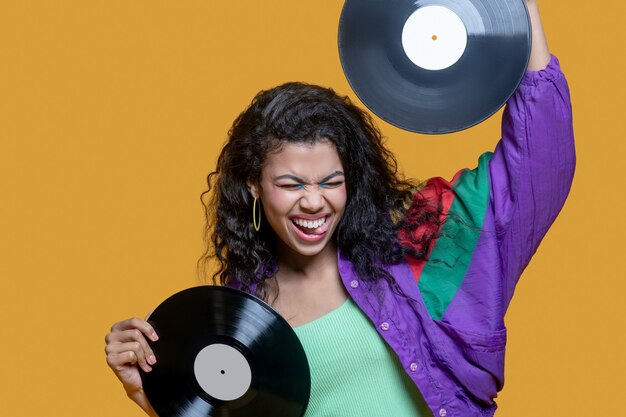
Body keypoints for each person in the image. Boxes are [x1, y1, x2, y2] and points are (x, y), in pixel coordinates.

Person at [105, 1, 575, 415]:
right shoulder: (237, 313)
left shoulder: (417, 246)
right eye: (290, 184)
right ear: (253, 185)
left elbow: (538, 167)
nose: (314, 200)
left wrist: (523, 10)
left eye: (331, 182)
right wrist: (150, 397)